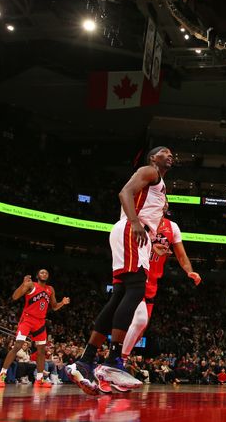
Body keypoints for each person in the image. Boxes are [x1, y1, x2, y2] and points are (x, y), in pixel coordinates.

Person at [67, 146, 173, 396]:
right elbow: (124, 192)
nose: (170, 155)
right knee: (136, 292)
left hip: (138, 236)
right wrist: (136, 223)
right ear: (152, 158)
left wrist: (153, 240)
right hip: (131, 231)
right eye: (164, 152)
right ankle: (113, 362)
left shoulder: (158, 184)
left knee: (120, 296)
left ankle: (86, 360)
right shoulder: (149, 171)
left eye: (171, 153)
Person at [121, 209, 201, 366]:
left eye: (165, 201)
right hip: (136, 275)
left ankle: (117, 359)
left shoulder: (172, 227)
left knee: (140, 329)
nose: (162, 203)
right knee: (138, 320)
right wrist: (151, 245)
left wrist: (190, 271)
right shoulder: (140, 220)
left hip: (152, 283)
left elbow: (181, 255)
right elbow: (128, 241)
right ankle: (117, 361)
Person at [0, 269, 69, 388]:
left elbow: (54, 307)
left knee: (41, 351)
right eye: (42, 272)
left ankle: (39, 379)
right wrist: (23, 284)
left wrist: (62, 303)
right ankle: (1, 375)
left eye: (46, 273)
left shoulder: (50, 289)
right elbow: (15, 296)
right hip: (28, 319)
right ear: (37, 275)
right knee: (18, 345)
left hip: (40, 322)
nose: (44, 274)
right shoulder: (31, 284)